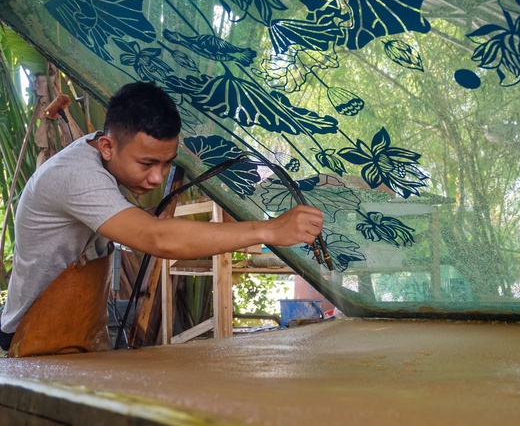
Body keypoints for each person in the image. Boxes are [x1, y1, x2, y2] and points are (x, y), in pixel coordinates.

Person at [0, 81, 323, 354]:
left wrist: (147, 217)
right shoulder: (77, 175)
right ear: (107, 146)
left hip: (72, 331)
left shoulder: (102, 167)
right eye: (147, 163)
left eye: (166, 163)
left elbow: (147, 227)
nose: (157, 177)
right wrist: (267, 230)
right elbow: (156, 239)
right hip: (31, 337)